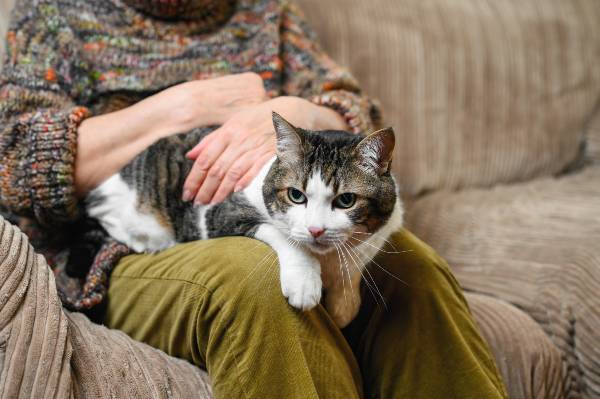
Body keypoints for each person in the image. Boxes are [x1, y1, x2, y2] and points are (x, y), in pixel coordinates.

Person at [0, 0, 507, 397]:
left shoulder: (267, 13)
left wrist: (298, 109)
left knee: (411, 267)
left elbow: (356, 113)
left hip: (283, 211)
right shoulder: (53, 16)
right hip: (116, 251)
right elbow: (13, 166)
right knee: (259, 274)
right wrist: (174, 109)